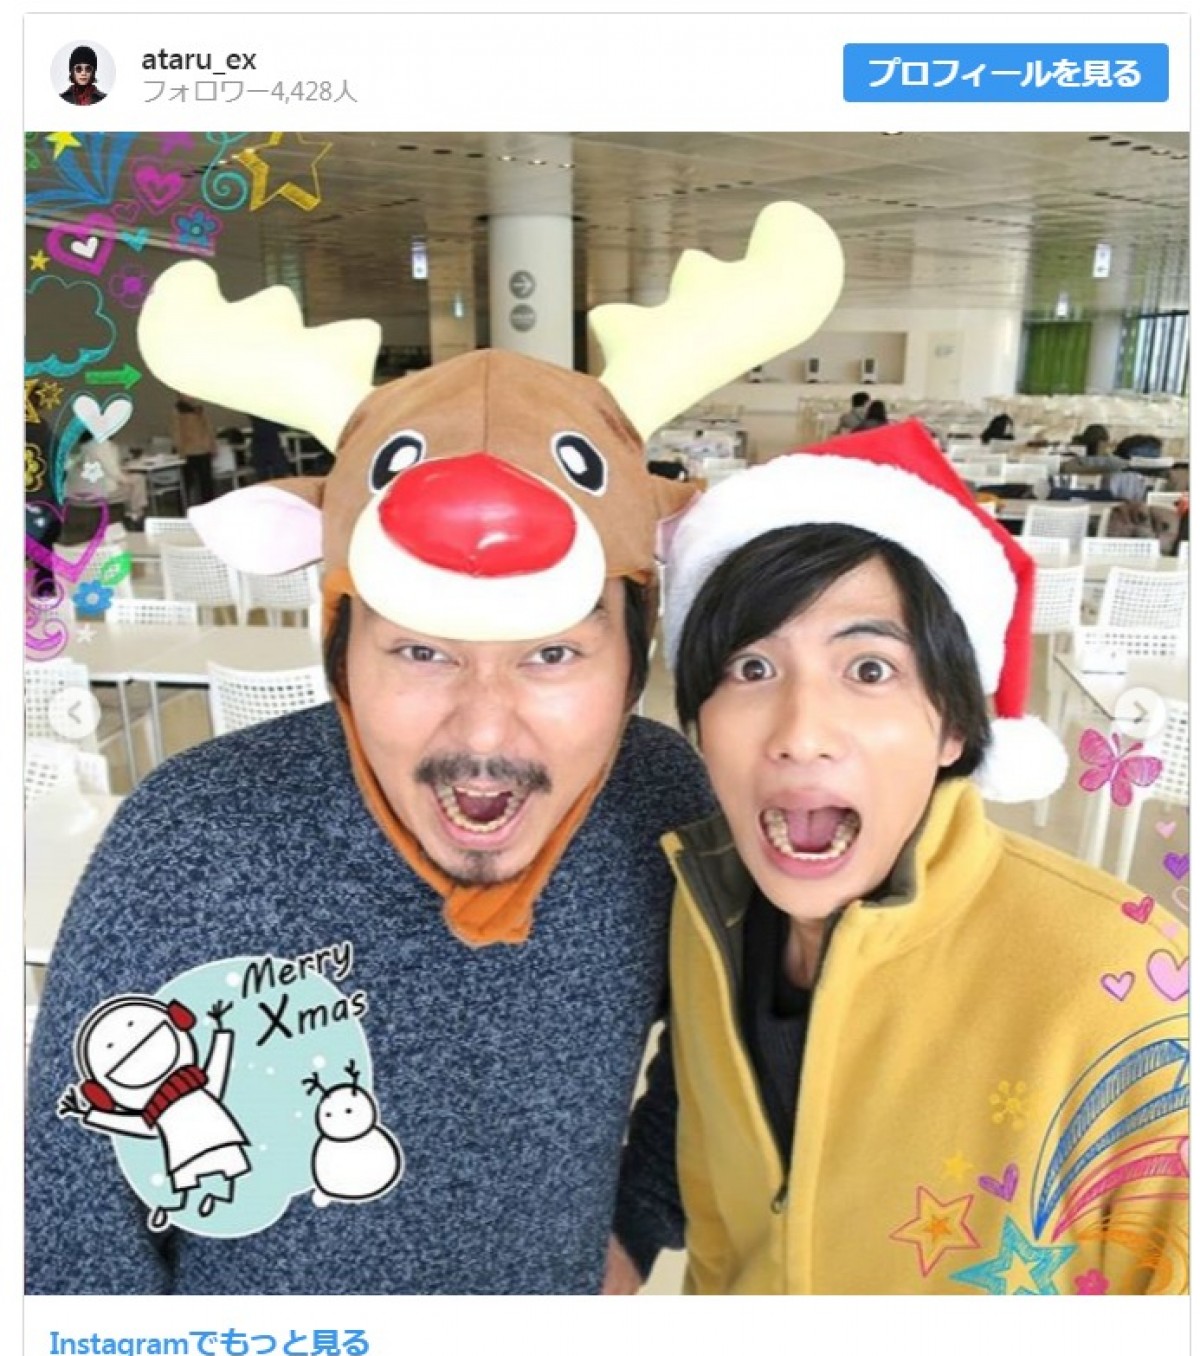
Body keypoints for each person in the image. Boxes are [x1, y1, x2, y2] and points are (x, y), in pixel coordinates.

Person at [26, 186, 849, 1295]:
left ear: (634, 660)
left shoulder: (662, 804)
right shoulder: (191, 841)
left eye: (552, 653)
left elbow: (725, 1046)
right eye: (421, 650)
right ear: (339, 651)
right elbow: (71, 1219)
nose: (485, 730)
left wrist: (631, 1228)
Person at [642, 420, 1188, 1295]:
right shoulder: (704, 905)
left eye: (869, 669)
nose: (801, 733)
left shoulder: (1127, 985)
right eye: (751, 668)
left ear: (955, 725)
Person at [172, 395, 217, 505]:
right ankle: (183, 507)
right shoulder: (178, 411)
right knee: (186, 482)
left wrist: (212, 445)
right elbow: (177, 431)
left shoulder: (200, 409)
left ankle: (209, 505)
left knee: (206, 482)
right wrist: (180, 450)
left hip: (204, 449)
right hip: (188, 451)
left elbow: (208, 428)